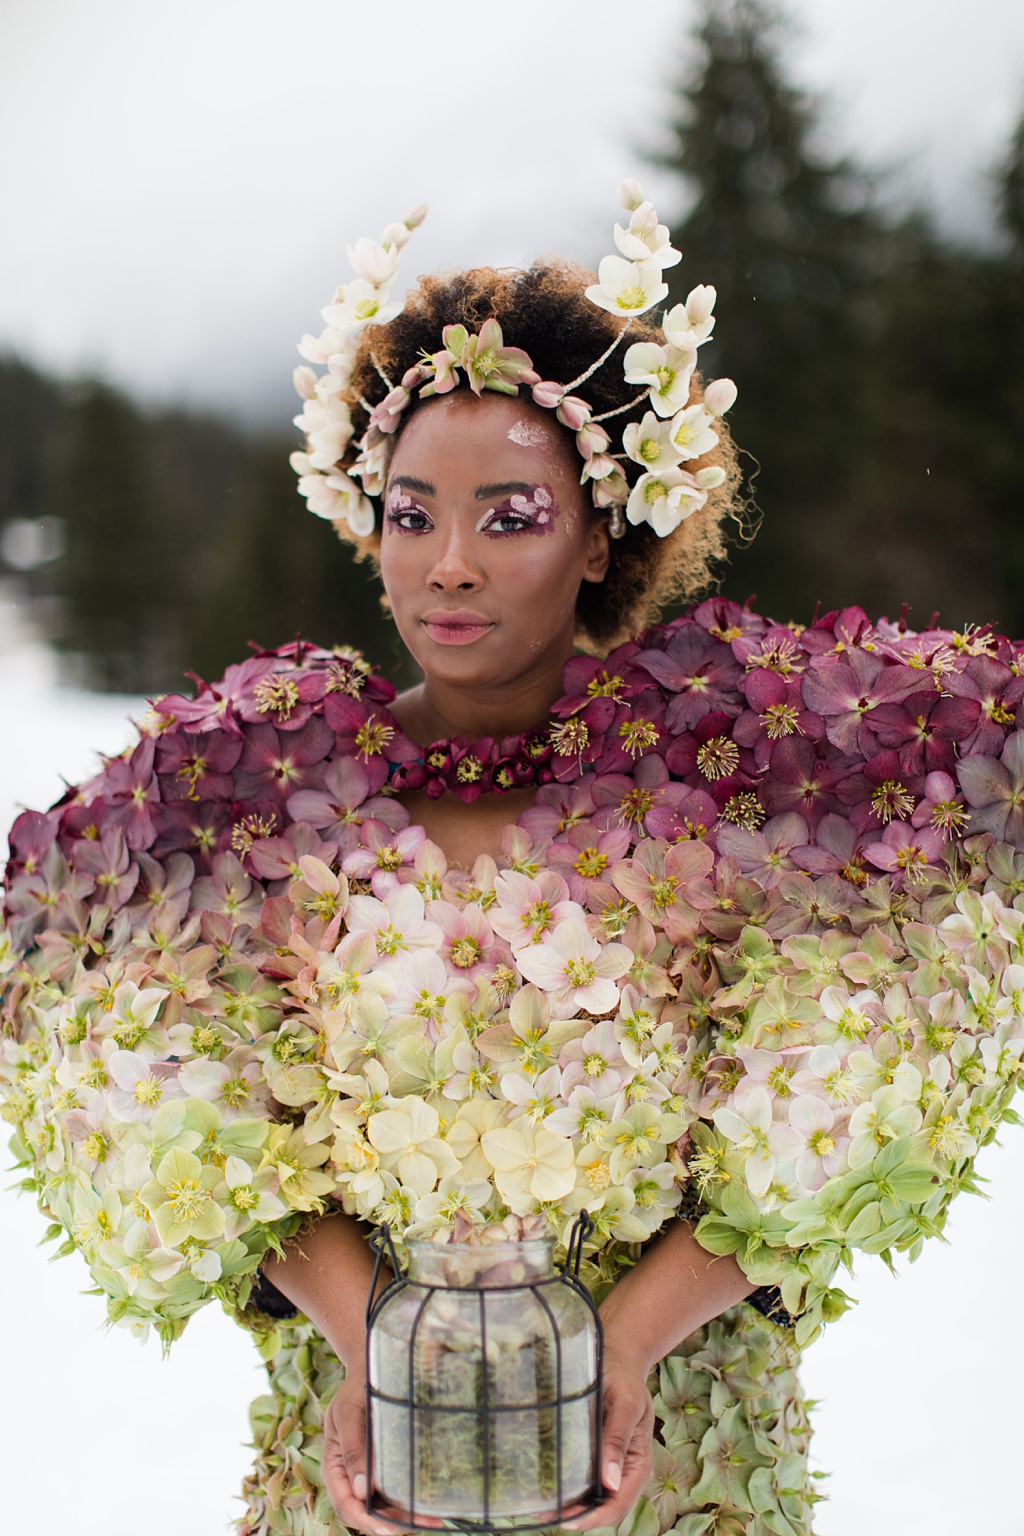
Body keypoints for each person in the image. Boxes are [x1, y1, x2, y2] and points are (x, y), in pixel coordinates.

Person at [3, 185, 1022, 1536]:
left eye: (511, 516)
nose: (450, 566)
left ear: (601, 534)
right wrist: (376, 1343)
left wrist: (629, 1349)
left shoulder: (744, 783)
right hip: (368, 1476)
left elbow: (858, 1088)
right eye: (414, 513)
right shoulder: (250, 795)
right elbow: (125, 1054)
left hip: (677, 1461)